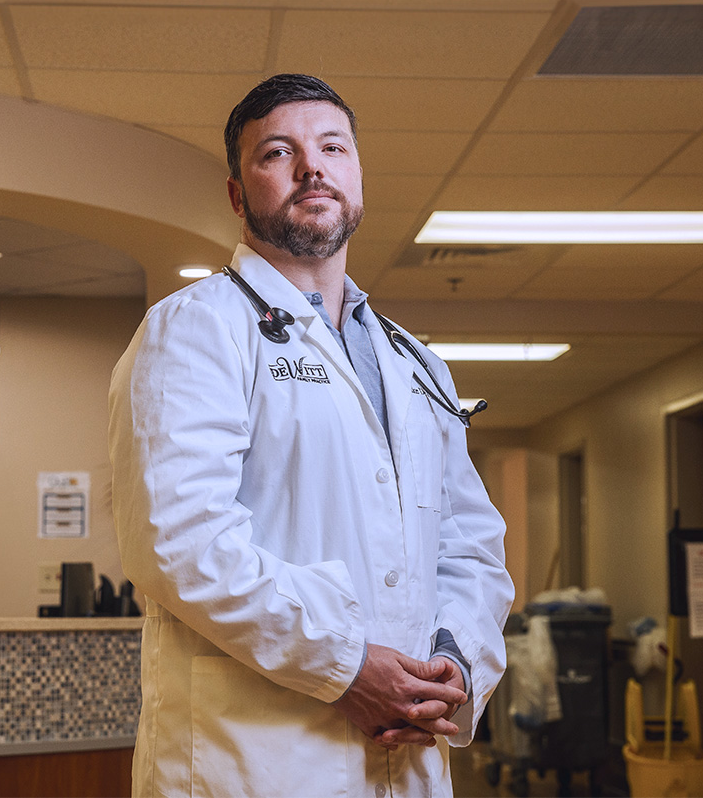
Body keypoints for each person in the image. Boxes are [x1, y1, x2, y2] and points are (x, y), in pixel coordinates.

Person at [108, 74, 514, 797]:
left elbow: (468, 541)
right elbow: (179, 540)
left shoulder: (415, 362)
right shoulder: (196, 327)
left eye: (333, 147)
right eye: (277, 152)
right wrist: (348, 665)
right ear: (238, 194)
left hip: (408, 755)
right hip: (255, 764)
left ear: (357, 175)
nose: (312, 167)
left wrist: (454, 660)